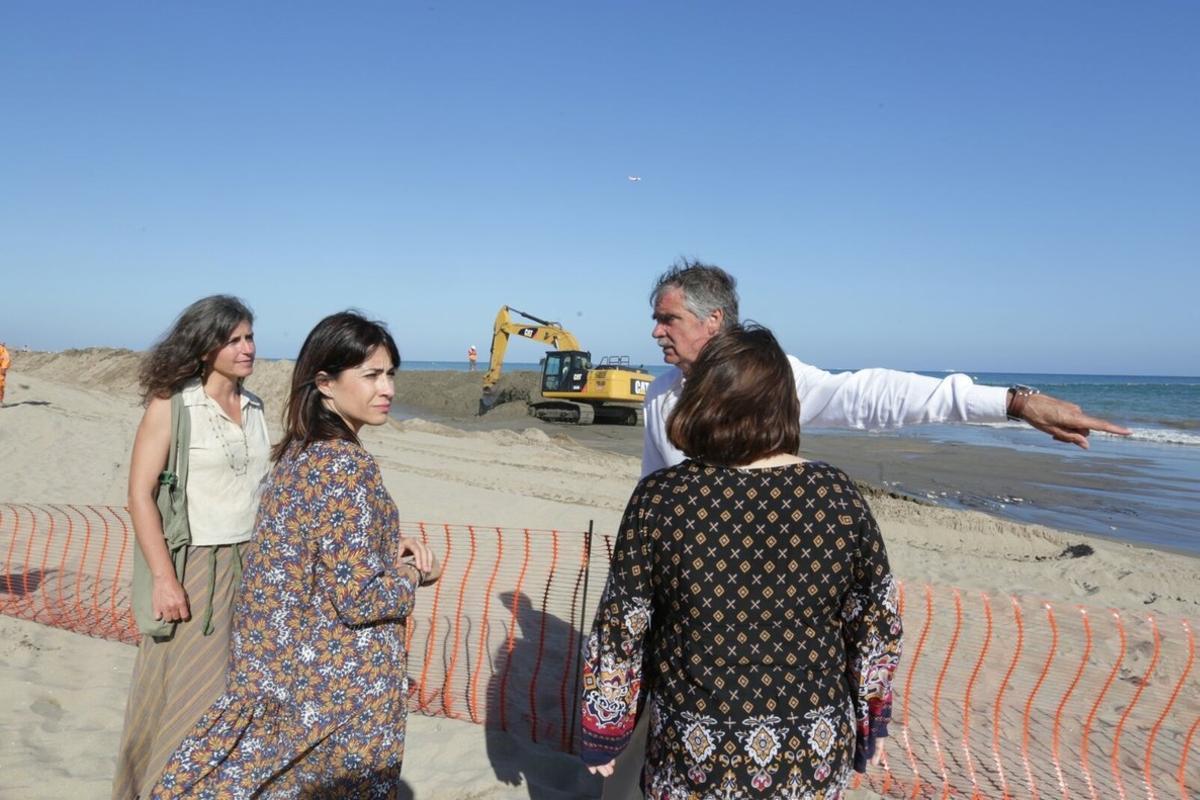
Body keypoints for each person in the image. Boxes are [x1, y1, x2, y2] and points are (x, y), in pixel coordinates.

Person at [602, 259, 1132, 800]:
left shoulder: (769, 380)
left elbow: (878, 396)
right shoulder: (661, 394)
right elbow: (655, 496)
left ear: (712, 320)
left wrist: (1012, 403)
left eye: (666, 318)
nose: (655, 331)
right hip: (686, 645)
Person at [581, 325, 902, 797]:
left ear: (704, 401)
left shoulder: (661, 498)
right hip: (813, 749)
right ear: (783, 404)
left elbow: (622, 624)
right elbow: (876, 622)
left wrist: (606, 730)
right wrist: (871, 719)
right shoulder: (837, 495)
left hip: (697, 747)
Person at [152, 311, 441, 799]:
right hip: (343, 684)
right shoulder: (348, 466)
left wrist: (384, 548)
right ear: (325, 384)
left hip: (278, 672)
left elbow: (311, 547)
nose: (386, 388)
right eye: (371, 375)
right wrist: (413, 575)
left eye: (390, 373)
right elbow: (361, 598)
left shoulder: (300, 453)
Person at [113, 296, 270, 800]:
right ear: (206, 347)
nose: (247, 348)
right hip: (195, 567)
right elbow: (140, 494)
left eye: (249, 337)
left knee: (238, 697)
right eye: (234, 339)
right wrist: (164, 578)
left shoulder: (257, 407)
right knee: (187, 697)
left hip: (253, 566)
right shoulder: (173, 403)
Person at [0, 340, 11, 404]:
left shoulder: (3, 350)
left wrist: (3, 368)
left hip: (1, 369)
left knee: (1, 385)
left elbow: (6, 358)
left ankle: (0, 400)